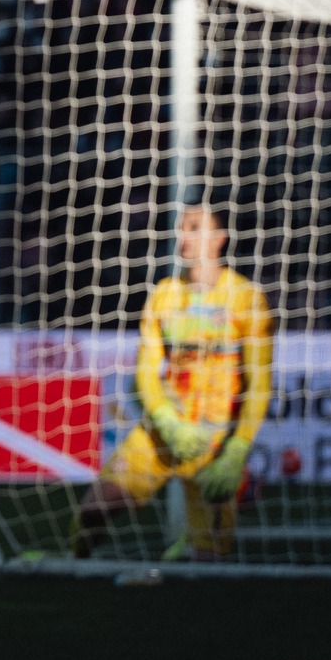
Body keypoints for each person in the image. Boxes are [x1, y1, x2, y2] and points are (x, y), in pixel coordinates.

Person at [74, 201, 273, 562]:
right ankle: (75, 566)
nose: (184, 236)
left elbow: (259, 383)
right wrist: (166, 420)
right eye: (182, 228)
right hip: (164, 432)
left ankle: (221, 508)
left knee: (208, 561)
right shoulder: (165, 294)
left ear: (219, 238)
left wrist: (238, 448)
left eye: (195, 228)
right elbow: (146, 371)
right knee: (94, 509)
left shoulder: (246, 298)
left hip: (214, 441)